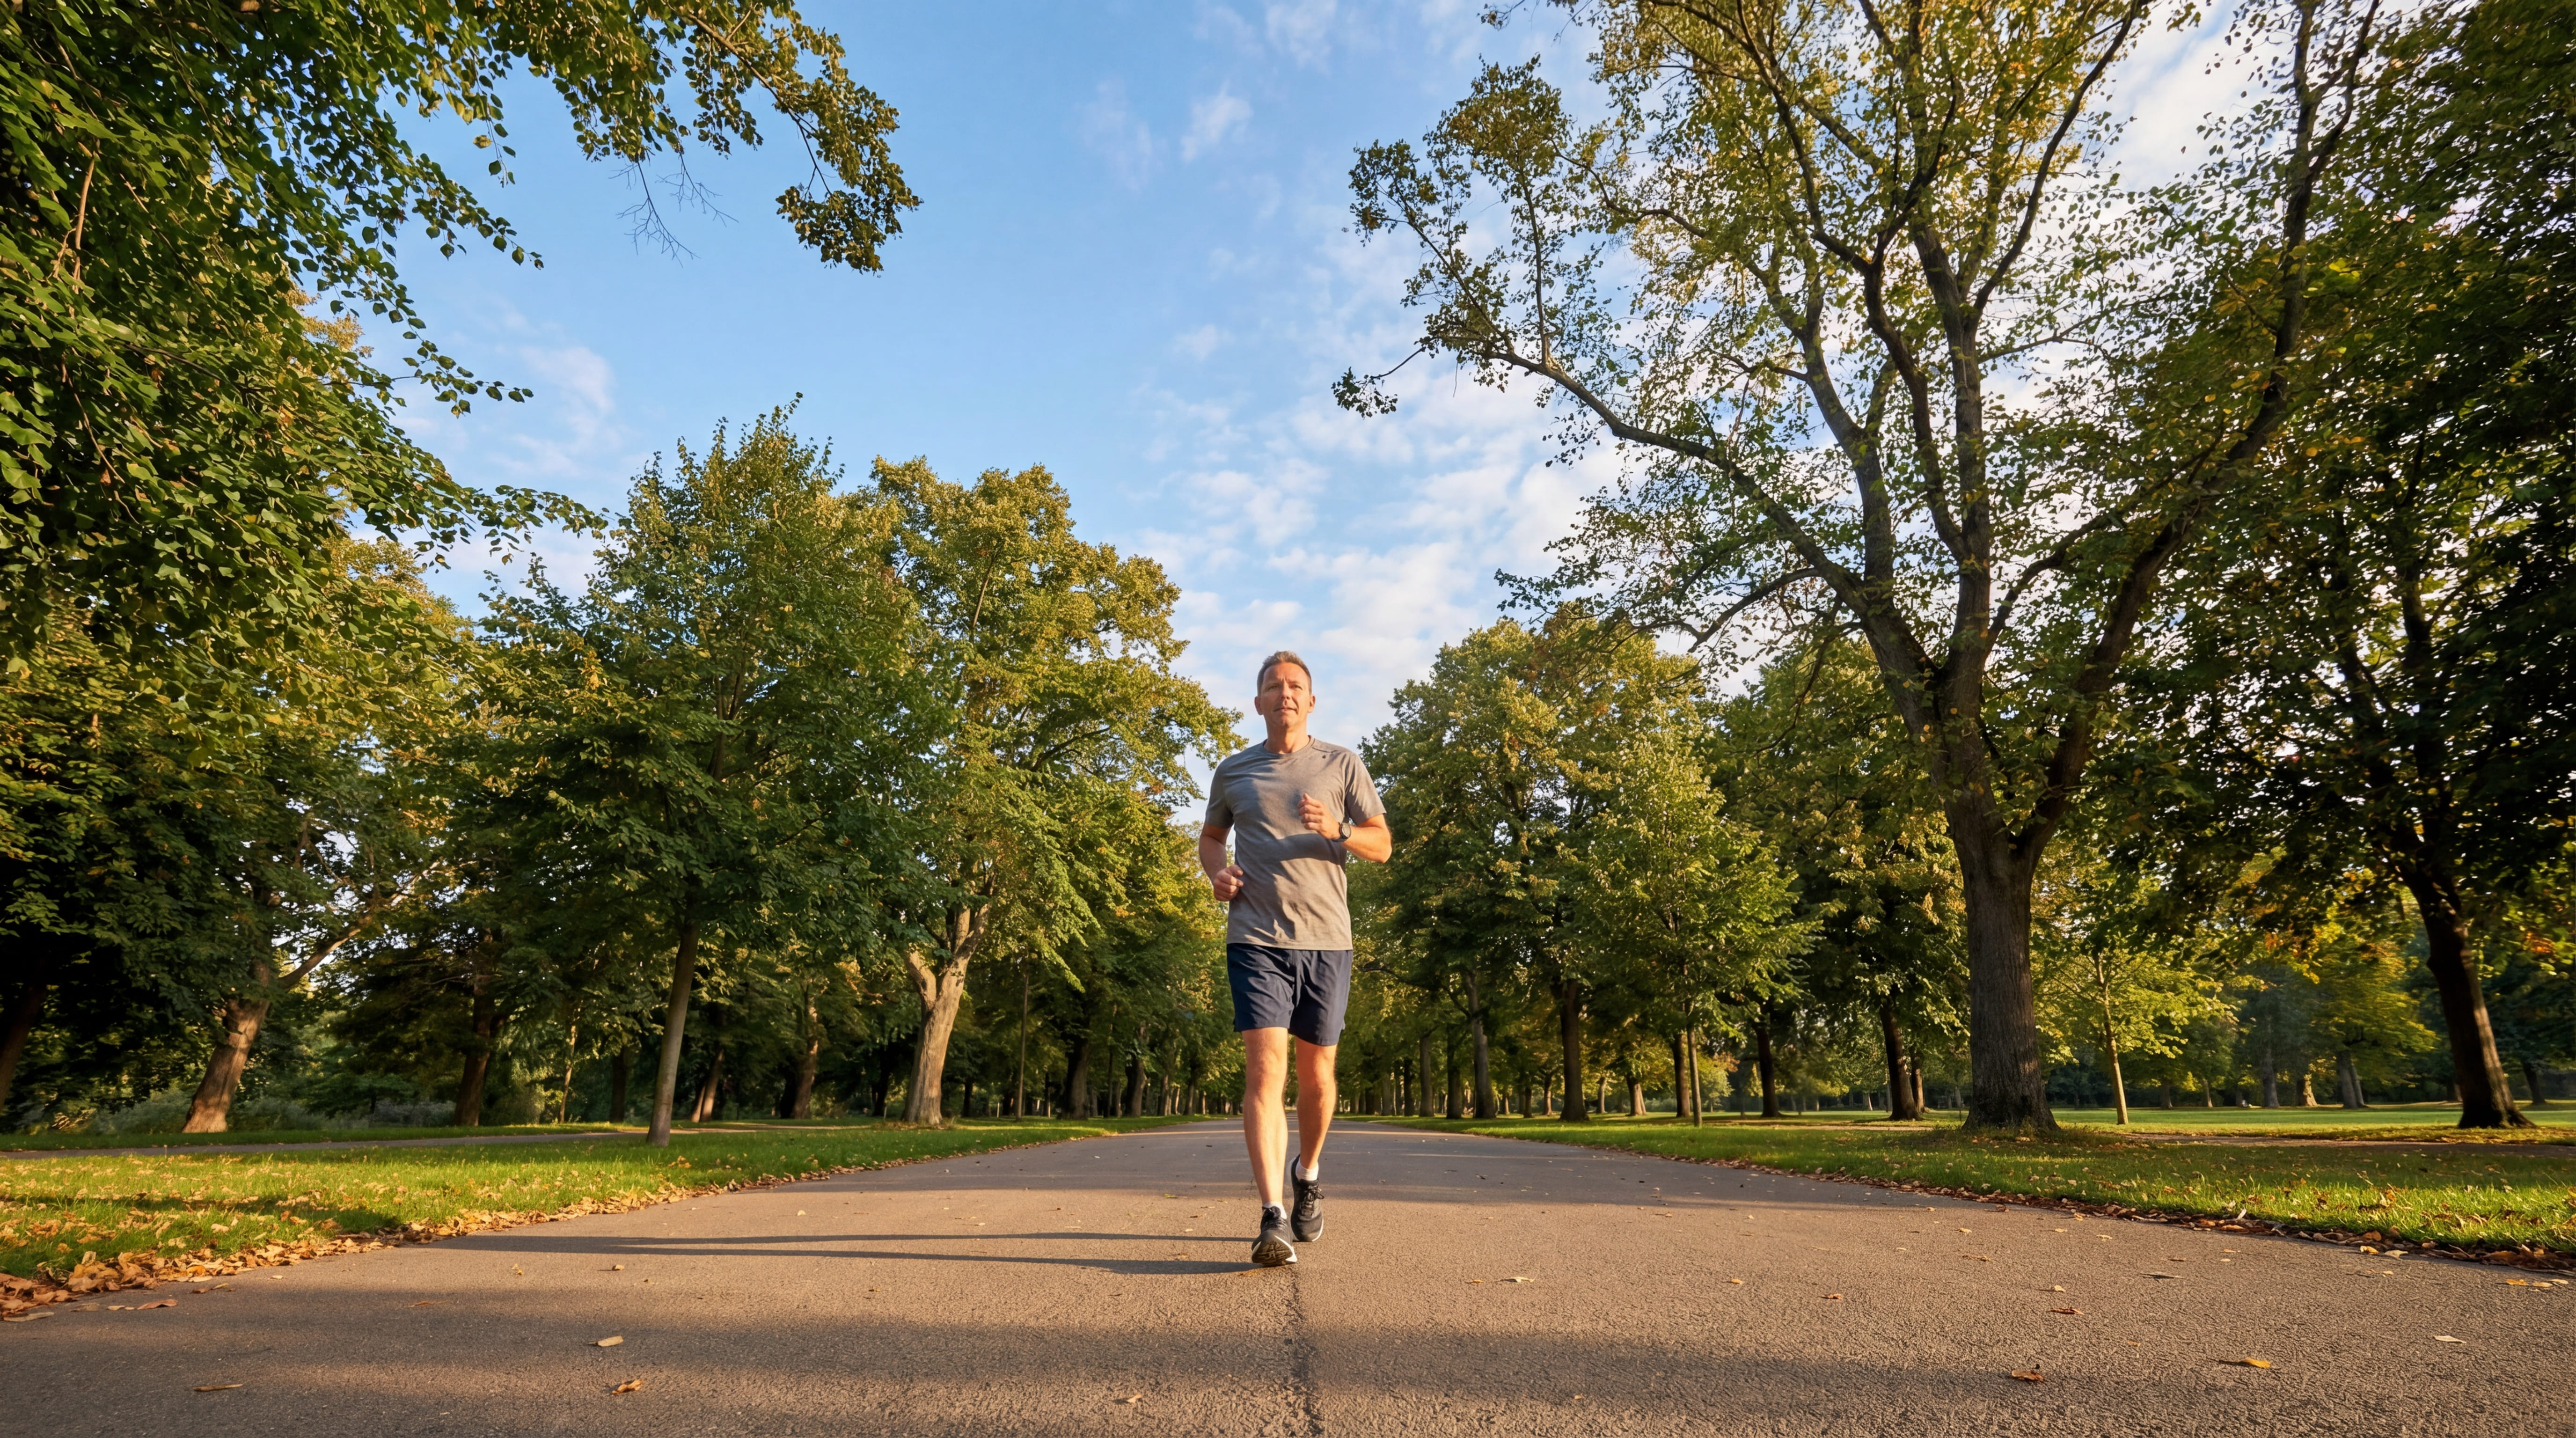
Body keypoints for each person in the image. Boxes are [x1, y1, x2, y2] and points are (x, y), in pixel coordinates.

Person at [1200, 650, 1391, 1267]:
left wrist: (1339, 830)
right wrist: (1216, 875)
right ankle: (1272, 1215)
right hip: (1255, 938)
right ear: (1258, 702)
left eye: (1295, 686)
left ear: (1311, 701)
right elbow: (1212, 839)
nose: (1285, 693)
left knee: (1319, 1075)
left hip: (1327, 940)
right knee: (1265, 1072)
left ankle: (1307, 1173)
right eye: (1274, 686)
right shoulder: (1234, 771)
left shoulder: (1342, 764)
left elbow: (1382, 846)